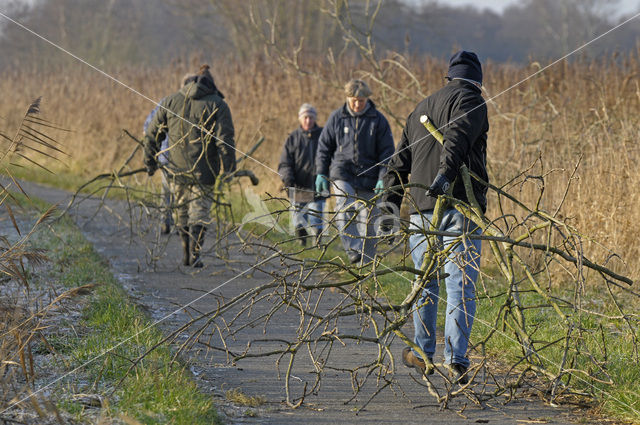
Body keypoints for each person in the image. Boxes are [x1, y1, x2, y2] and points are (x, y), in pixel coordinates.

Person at [381, 51, 489, 384]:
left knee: (425, 284)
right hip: (459, 206)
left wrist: (389, 205)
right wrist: (445, 175)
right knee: (459, 285)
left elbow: (399, 163)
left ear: (449, 76)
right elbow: (456, 139)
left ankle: (425, 355)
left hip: (419, 211)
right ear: (477, 80)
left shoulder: (421, 108)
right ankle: (456, 360)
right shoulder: (472, 100)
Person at [144, 65, 236, 268]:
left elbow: (152, 134)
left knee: (182, 212)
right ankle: (196, 254)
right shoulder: (218, 105)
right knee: (200, 213)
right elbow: (225, 140)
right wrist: (230, 169)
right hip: (205, 171)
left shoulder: (171, 101)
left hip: (176, 170)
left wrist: (150, 162)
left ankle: (186, 251)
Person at [315, 79, 395, 265]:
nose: (358, 104)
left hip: (371, 176)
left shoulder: (378, 120)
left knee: (370, 219)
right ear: (347, 98)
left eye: (361, 100)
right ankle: (353, 249)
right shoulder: (336, 118)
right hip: (343, 172)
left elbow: (387, 153)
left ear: (367, 99)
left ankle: (366, 262)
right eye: (354, 100)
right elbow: (324, 148)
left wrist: (383, 177)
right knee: (345, 206)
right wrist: (321, 173)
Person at [142, 73, 195, 235]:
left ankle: (167, 221)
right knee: (184, 192)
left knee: (168, 190)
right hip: (186, 158)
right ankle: (181, 222)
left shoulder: (167, 102)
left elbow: (148, 127)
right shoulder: (198, 106)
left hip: (166, 155)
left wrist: (152, 151)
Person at [278, 103, 325, 246]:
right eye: (305, 117)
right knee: (299, 216)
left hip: (318, 184)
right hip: (298, 184)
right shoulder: (292, 138)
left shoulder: (323, 136)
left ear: (315, 118)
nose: (308, 121)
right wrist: (287, 179)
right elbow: (285, 163)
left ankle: (318, 242)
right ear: (300, 119)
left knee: (316, 215)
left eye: (311, 117)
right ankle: (301, 241)